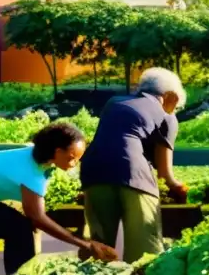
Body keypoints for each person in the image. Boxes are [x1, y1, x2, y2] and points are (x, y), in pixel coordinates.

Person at [0, 122, 116, 275]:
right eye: (71, 158)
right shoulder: (31, 174)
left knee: (22, 227)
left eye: (78, 159)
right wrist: (84, 244)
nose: (74, 164)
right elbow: (37, 218)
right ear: (57, 151)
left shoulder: (38, 157)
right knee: (19, 229)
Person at [80, 68, 187, 262]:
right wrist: (178, 187)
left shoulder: (113, 103)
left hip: (93, 170)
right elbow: (165, 174)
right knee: (144, 250)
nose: (175, 111)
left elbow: (116, 138)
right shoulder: (168, 117)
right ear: (170, 97)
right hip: (133, 172)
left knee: (98, 248)